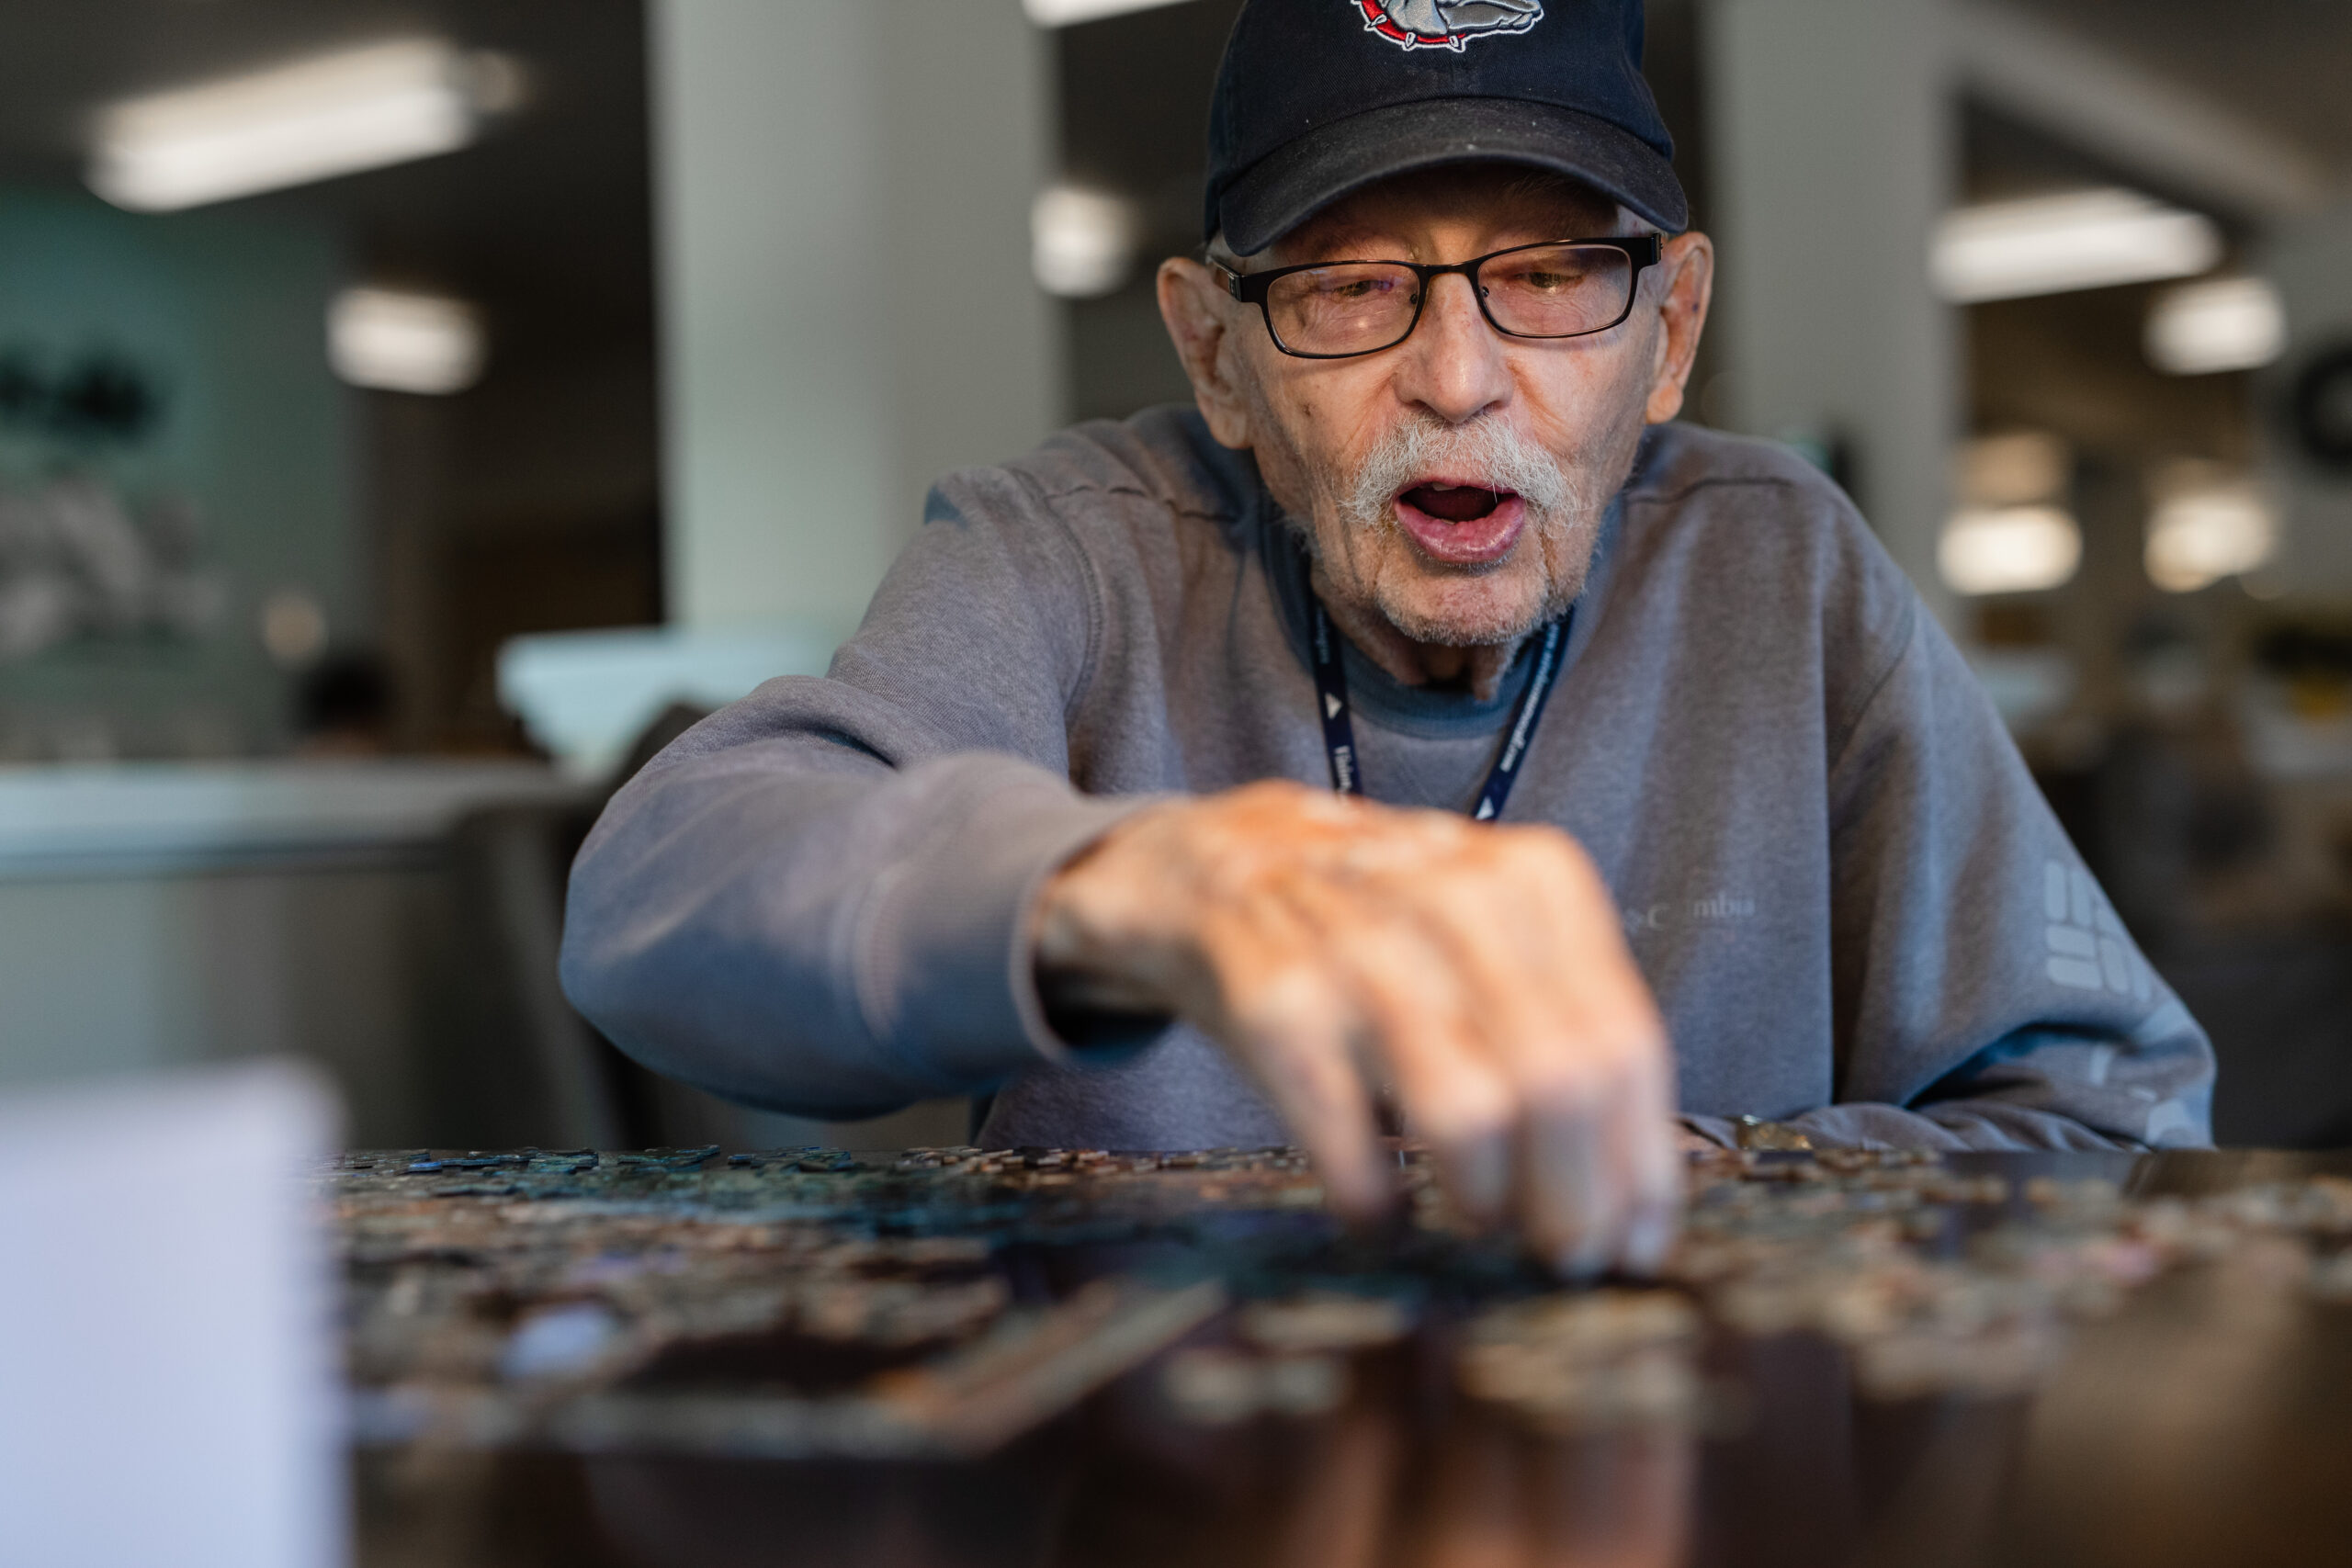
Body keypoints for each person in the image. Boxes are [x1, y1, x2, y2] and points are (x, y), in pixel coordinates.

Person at [561, 0, 2214, 1274]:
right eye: (1348, 289)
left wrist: (1707, 1164)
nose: (1456, 375)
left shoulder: (1783, 570)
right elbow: (657, 902)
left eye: (1558, 277)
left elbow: (2115, 1122)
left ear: (1672, 332)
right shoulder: (1070, 545)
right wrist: (1124, 886)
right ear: (1218, 359)